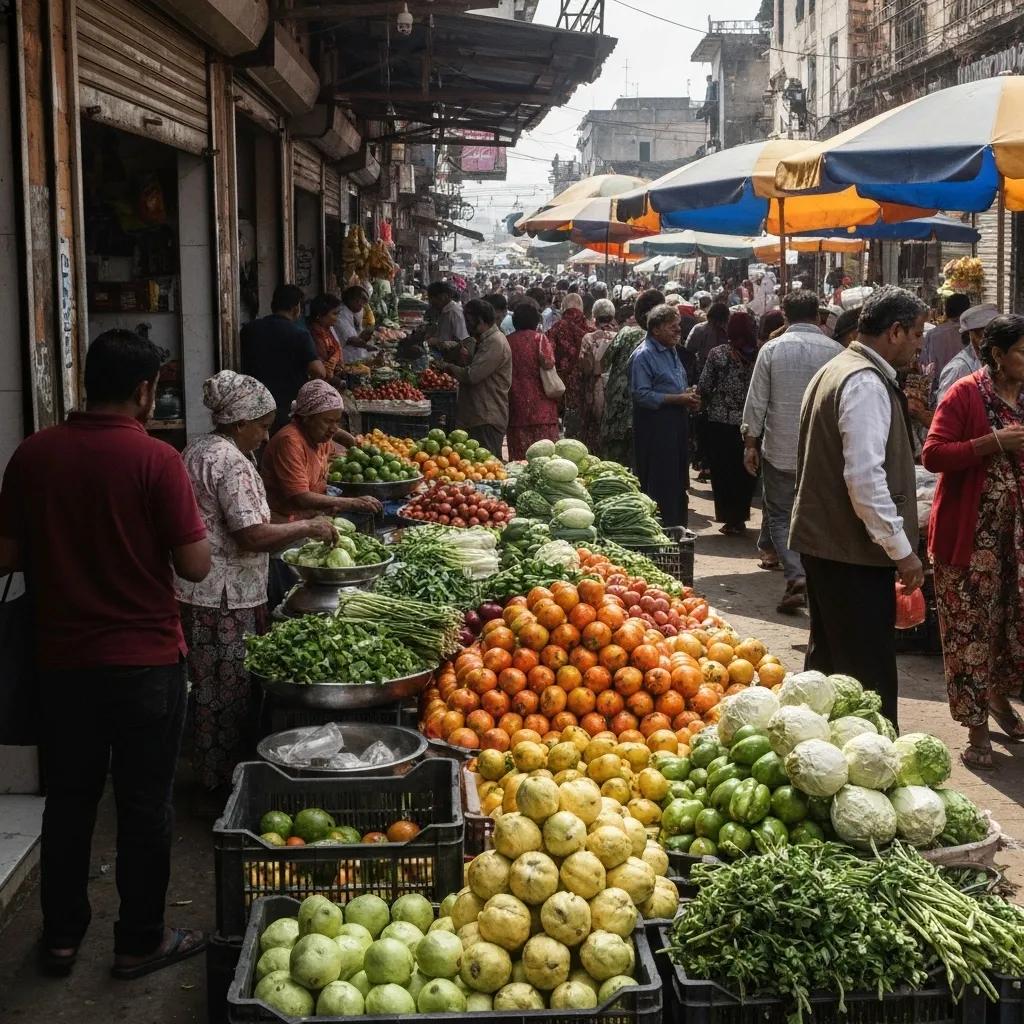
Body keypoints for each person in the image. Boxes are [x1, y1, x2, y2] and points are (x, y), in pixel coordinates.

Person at [0, 329, 211, 978]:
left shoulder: (33, 455)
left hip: (62, 664)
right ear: (145, 391)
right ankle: (138, 940)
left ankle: (61, 939)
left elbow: (5, 557)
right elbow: (197, 566)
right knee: (145, 805)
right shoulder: (156, 461)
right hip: (146, 663)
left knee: (69, 801)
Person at [176, 372, 337, 790]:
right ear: (238, 421)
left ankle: (214, 776)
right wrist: (308, 528)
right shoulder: (229, 461)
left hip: (198, 591)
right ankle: (222, 785)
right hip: (225, 596)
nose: (266, 437)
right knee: (225, 696)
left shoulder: (196, 449)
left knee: (207, 690)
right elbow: (251, 534)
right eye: (263, 427)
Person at [790, 286, 928, 729]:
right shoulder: (864, 381)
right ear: (895, 332)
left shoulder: (839, 368)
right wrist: (902, 550)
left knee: (830, 663)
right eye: (917, 334)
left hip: (827, 543)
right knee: (865, 678)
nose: (920, 343)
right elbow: (865, 479)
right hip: (851, 551)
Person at [922, 314, 1024, 770]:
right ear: (998, 355)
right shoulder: (966, 393)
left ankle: (999, 699)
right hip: (967, 545)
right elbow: (934, 453)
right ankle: (976, 726)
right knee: (970, 634)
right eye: (1022, 351)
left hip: (1013, 544)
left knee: (1008, 630)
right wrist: (992, 442)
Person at [743, 291, 844, 612]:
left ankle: (796, 573)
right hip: (824, 453)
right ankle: (813, 577)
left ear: (784, 316)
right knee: (819, 516)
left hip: (779, 449)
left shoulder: (771, 350)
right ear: (818, 316)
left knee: (780, 515)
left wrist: (750, 443)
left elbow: (756, 401)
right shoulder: (837, 352)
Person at [261, 380, 381, 521]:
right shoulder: (290, 442)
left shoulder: (319, 436)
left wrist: (350, 441)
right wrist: (351, 502)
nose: (334, 428)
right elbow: (301, 497)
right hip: (286, 521)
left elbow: (335, 435)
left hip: (313, 516)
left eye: (337, 421)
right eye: (328, 421)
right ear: (307, 419)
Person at [630, 303, 702, 527]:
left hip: (676, 423)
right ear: (656, 329)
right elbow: (641, 394)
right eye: (673, 327)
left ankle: (676, 526)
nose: (678, 332)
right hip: (655, 426)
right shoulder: (644, 356)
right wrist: (677, 399)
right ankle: (661, 527)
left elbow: (674, 384)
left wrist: (687, 395)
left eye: (678, 326)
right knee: (660, 479)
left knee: (677, 478)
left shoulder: (671, 350)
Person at [697, 310, 759, 535]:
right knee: (745, 471)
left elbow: (704, 385)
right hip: (751, 424)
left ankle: (729, 518)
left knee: (723, 471)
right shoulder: (759, 354)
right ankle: (741, 516)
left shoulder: (718, 354)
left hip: (720, 422)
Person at [240, 284, 325, 432]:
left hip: (253, 402)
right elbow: (319, 371)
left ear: (273, 305)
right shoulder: (299, 334)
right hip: (286, 405)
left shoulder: (250, 329)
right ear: (296, 308)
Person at [600, 289, 664, 466]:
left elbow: (603, 362)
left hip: (618, 410)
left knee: (613, 468)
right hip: (647, 412)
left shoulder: (626, 333)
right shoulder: (664, 340)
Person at [440, 298, 512, 456]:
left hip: (486, 417)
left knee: (486, 466)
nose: (466, 325)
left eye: (468, 321)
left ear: (480, 321)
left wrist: (449, 368)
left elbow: (472, 375)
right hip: (477, 415)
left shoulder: (495, 342)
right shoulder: (484, 341)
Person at [505, 300, 559, 460]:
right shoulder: (539, 339)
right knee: (546, 458)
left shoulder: (507, 342)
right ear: (536, 321)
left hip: (516, 406)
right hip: (542, 407)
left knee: (520, 459)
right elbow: (549, 363)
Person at [548, 292, 592, 438]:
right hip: (588, 385)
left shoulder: (555, 329)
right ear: (581, 307)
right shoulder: (591, 330)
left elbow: (548, 357)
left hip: (562, 387)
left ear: (563, 307)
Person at [935, 303, 1000, 403]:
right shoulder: (958, 368)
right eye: (984, 336)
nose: (992, 342)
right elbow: (945, 410)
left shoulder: (996, 362)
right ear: (972, 334)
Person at [577, 298, 619, 453]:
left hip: (593, 388)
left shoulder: (589, 338)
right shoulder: (620, 336)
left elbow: (585, 368)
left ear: (594, 315)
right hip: (614, 388)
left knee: (592, 430)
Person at [921, 293, 971, 401]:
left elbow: (926, 366)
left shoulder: (933, 334)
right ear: (967, 310)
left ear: (946, 310)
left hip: (941, 391)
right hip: (969, 391)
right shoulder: (972, 334)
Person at [307, 294, 345, 383]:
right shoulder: (316, 334)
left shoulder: (327, 329)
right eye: (334, 314)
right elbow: (323, 368)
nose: (337, 318)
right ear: (320, 315)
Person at [335, 285, 375, 364]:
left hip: (356, 352)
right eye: (361, 301)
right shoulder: (341, 314)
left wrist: (365, 336)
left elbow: (358, 333)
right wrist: (368, 346)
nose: (363, 305)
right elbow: (351, 340)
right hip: (346, 356)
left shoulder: (354, 311)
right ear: (351, 300)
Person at [425, 281, 468, 354]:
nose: (431, 303)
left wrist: (439, 342)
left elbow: (462, 341)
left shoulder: (454, 312)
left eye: (432, 299)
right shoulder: (443, 310)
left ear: (443, 296)